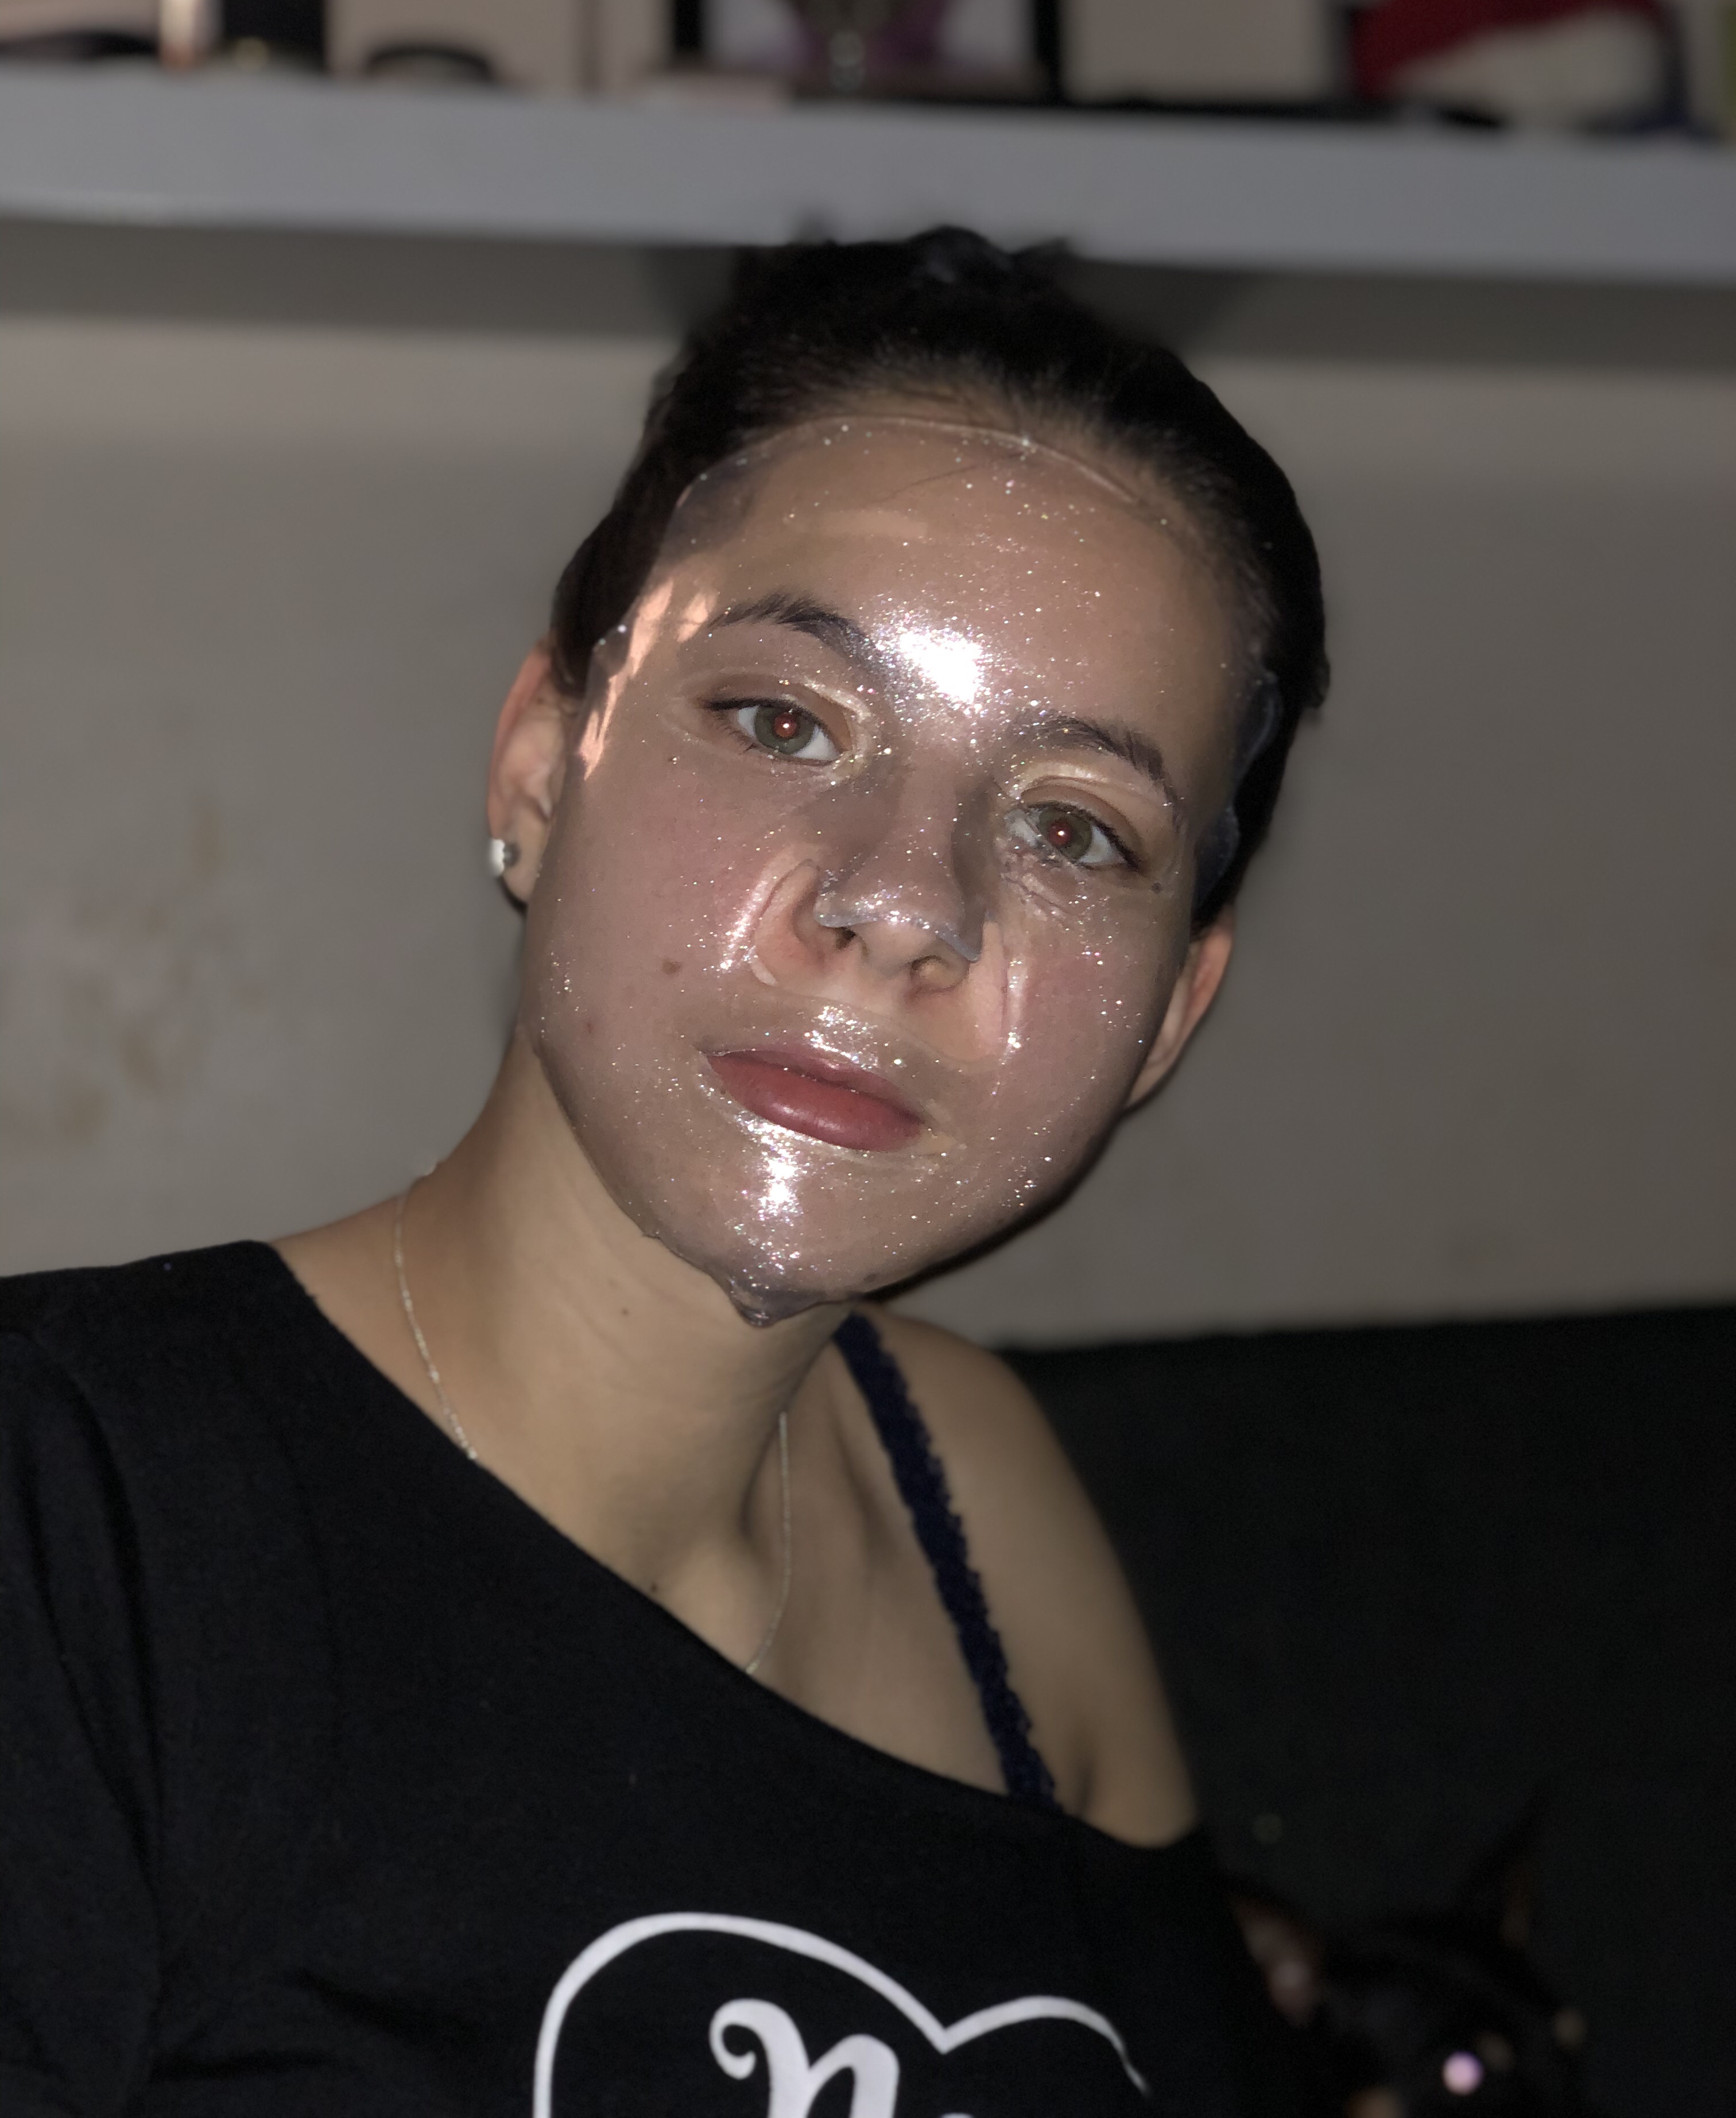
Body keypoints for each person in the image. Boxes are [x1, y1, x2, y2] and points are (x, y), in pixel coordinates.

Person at [0, 230, 1327, 2116]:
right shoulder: (74, 1515)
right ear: (544, 768)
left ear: (1171, 1013)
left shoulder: (977, 1502)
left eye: (1074, 830)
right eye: (788, 721)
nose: (902, 903)